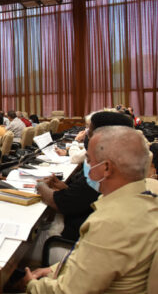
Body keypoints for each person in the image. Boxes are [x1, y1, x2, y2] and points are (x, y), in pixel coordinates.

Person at [23, 126, 157, 293]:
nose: (87, 165)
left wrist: (31, 284)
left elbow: (67, 291)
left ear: (106, 168)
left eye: (89, 159)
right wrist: (55, 268)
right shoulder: (147, 199)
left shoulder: (110, 222)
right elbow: (95, 260)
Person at [36, 111, 134, 241]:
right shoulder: (124, 163)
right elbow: (82, 197)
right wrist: (64, 187)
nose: (86, 134)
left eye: (90, 130)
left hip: (74, 240)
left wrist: (40, 186)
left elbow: (62, 203)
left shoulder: (102, 171)